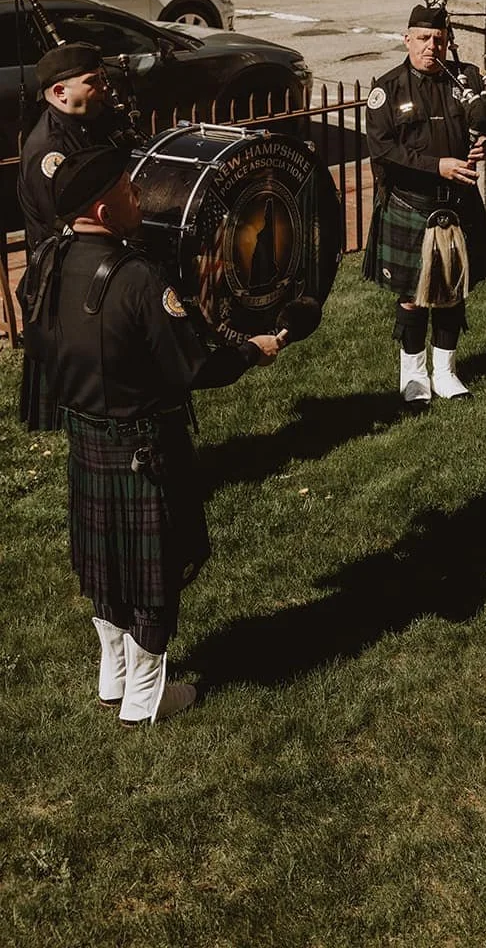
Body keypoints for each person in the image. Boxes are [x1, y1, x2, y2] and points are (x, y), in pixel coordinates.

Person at [20, 147, 282, 725]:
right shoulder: (137, 278)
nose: (137, 192)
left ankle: (113, 673)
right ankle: (146, 696)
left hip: (87, 439)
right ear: (102, 208)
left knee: (103, 561)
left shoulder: (47, 258)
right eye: (125, 187)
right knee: (151, 569)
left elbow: (36, 338)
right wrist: (252, 350)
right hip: (143, 446)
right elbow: (192, 368)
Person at [363, 4, 486, 402]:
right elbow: (384, 150)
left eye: (438, 39)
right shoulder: (387, 89)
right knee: (412, 296)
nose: (431, 46)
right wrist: (438, 166)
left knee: (452, 290)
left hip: (458, 205)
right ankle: (414, 376)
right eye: (422, 39)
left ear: (448, 41)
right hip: (411, 204)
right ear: (407, 40)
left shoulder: (468, 80)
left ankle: (447, 373)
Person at [16, 42, 132, 432]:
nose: (103, 87)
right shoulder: (49, 150)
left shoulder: (88, 124)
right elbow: (67, 224)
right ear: (61, 92)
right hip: (65, 271)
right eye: (92, 81)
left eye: (102, 78)